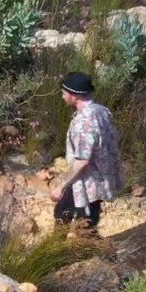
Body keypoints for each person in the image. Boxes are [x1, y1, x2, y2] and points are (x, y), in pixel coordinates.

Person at [49, 72, 123, 230]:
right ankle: (88, 251)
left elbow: (83, 161)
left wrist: (61, 186)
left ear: (75, 96)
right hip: (100, 180)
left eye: (64, 93)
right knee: (86, 221)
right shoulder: (101, 111)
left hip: (85, 183)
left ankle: (58, 253)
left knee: (66, 218)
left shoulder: (84, 123)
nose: (62, 96)